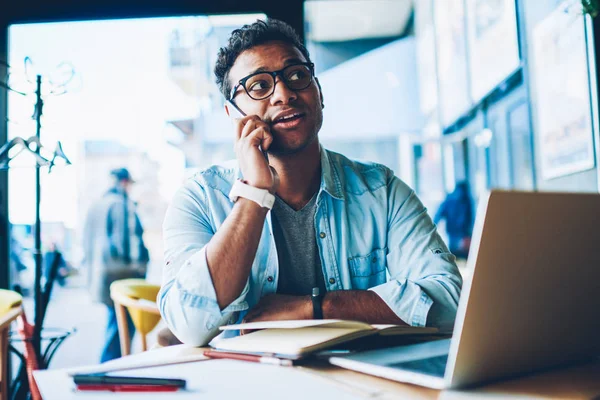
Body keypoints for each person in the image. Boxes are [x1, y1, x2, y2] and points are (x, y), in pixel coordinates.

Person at [158, 19, 462, 346]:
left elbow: (451, 301)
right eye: (259, 85)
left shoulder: (381, 190)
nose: (284, 94)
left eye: (297, 75)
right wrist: (254, 193)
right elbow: (188, 325)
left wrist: (314, 309)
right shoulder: (199, 198)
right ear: (232, 114)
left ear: (318, 92)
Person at [83, 167, 149, 362]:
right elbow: (127, 243)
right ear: (124, 182)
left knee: (114, 323)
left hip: (102, 275)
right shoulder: (122, 204)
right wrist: (140, 267)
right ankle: (110, 368)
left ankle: (108, 366)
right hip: (123, 276)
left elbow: (86, 244)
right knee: (122, 328)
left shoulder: (97, 205)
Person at [433, 182, 473, 259]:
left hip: (459, 234)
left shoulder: (452, 199)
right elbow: (471, 217)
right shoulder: (465, 200)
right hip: (460, 234)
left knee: (456, 256)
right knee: (461, 255)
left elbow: (437, 216)